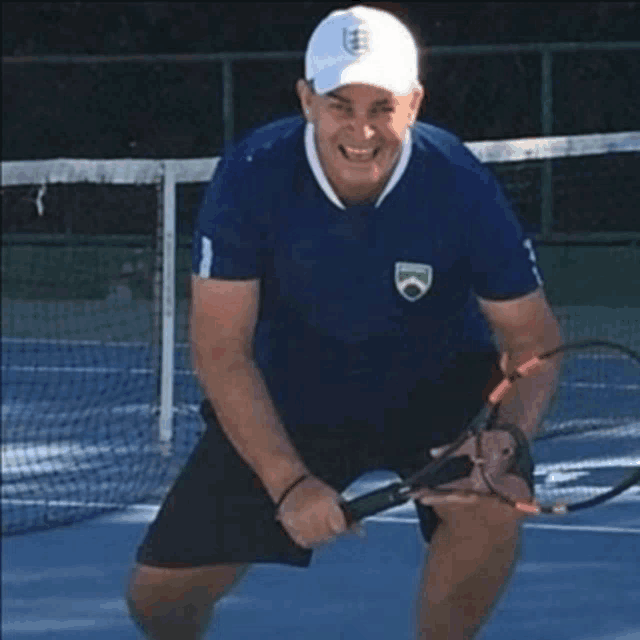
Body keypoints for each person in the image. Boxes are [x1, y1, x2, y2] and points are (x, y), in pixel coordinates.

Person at [125, 5, 563, 639]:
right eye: (340, 104)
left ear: (413, 104)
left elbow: (534, 340)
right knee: (157, 600)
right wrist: (290, 482)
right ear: (307, 100)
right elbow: (220, 349)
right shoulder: (252, 175)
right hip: (292, 396)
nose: (362, 129)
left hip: (435, 390)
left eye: (382, 106)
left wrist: (508, 438)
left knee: (492, 499)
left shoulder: (459, 183)